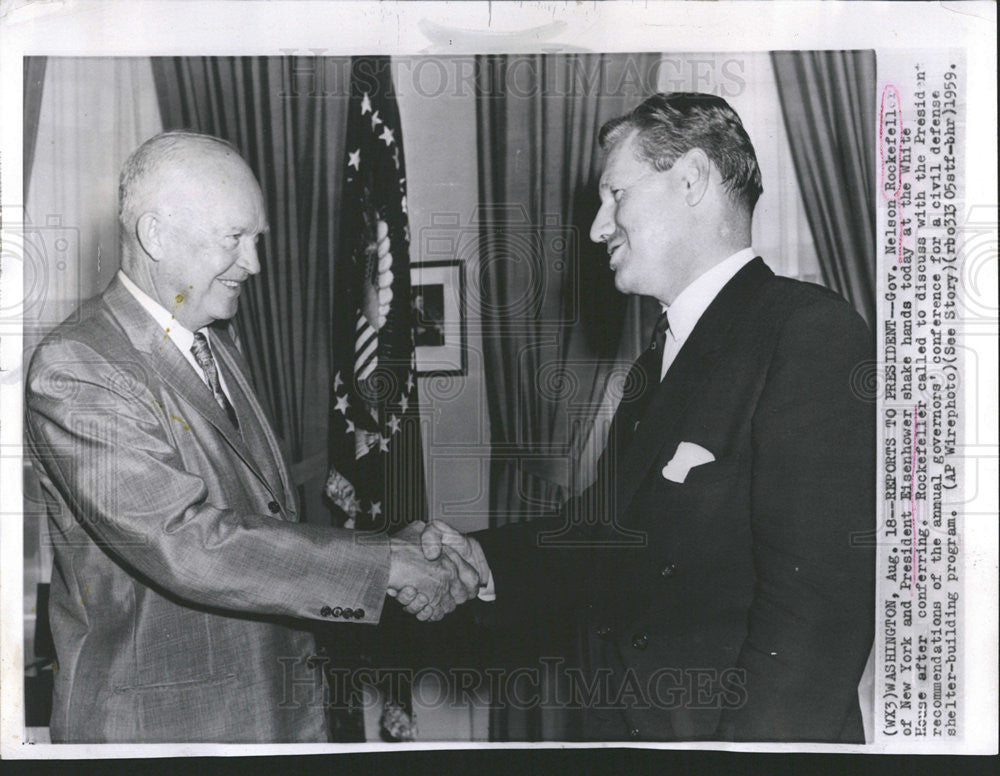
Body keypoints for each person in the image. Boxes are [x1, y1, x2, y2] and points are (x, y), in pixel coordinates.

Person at [403, 93, 876, 742]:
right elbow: (610, 533)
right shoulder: (659, 360)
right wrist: (484, 558)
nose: (599, 227)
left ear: (691, 180)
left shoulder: (809, 334)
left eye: (615, 195)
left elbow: (817, 617)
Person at [24, 131, 480, 743]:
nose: (254, 264)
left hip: (272, 709)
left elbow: (254, 516)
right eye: (233, 239)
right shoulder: (80, 365)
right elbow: (186, 542)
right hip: (165, 729)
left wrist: (386, 545)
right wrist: (384, 566)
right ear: (155, 235)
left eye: (256, 239)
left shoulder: (214, 338)